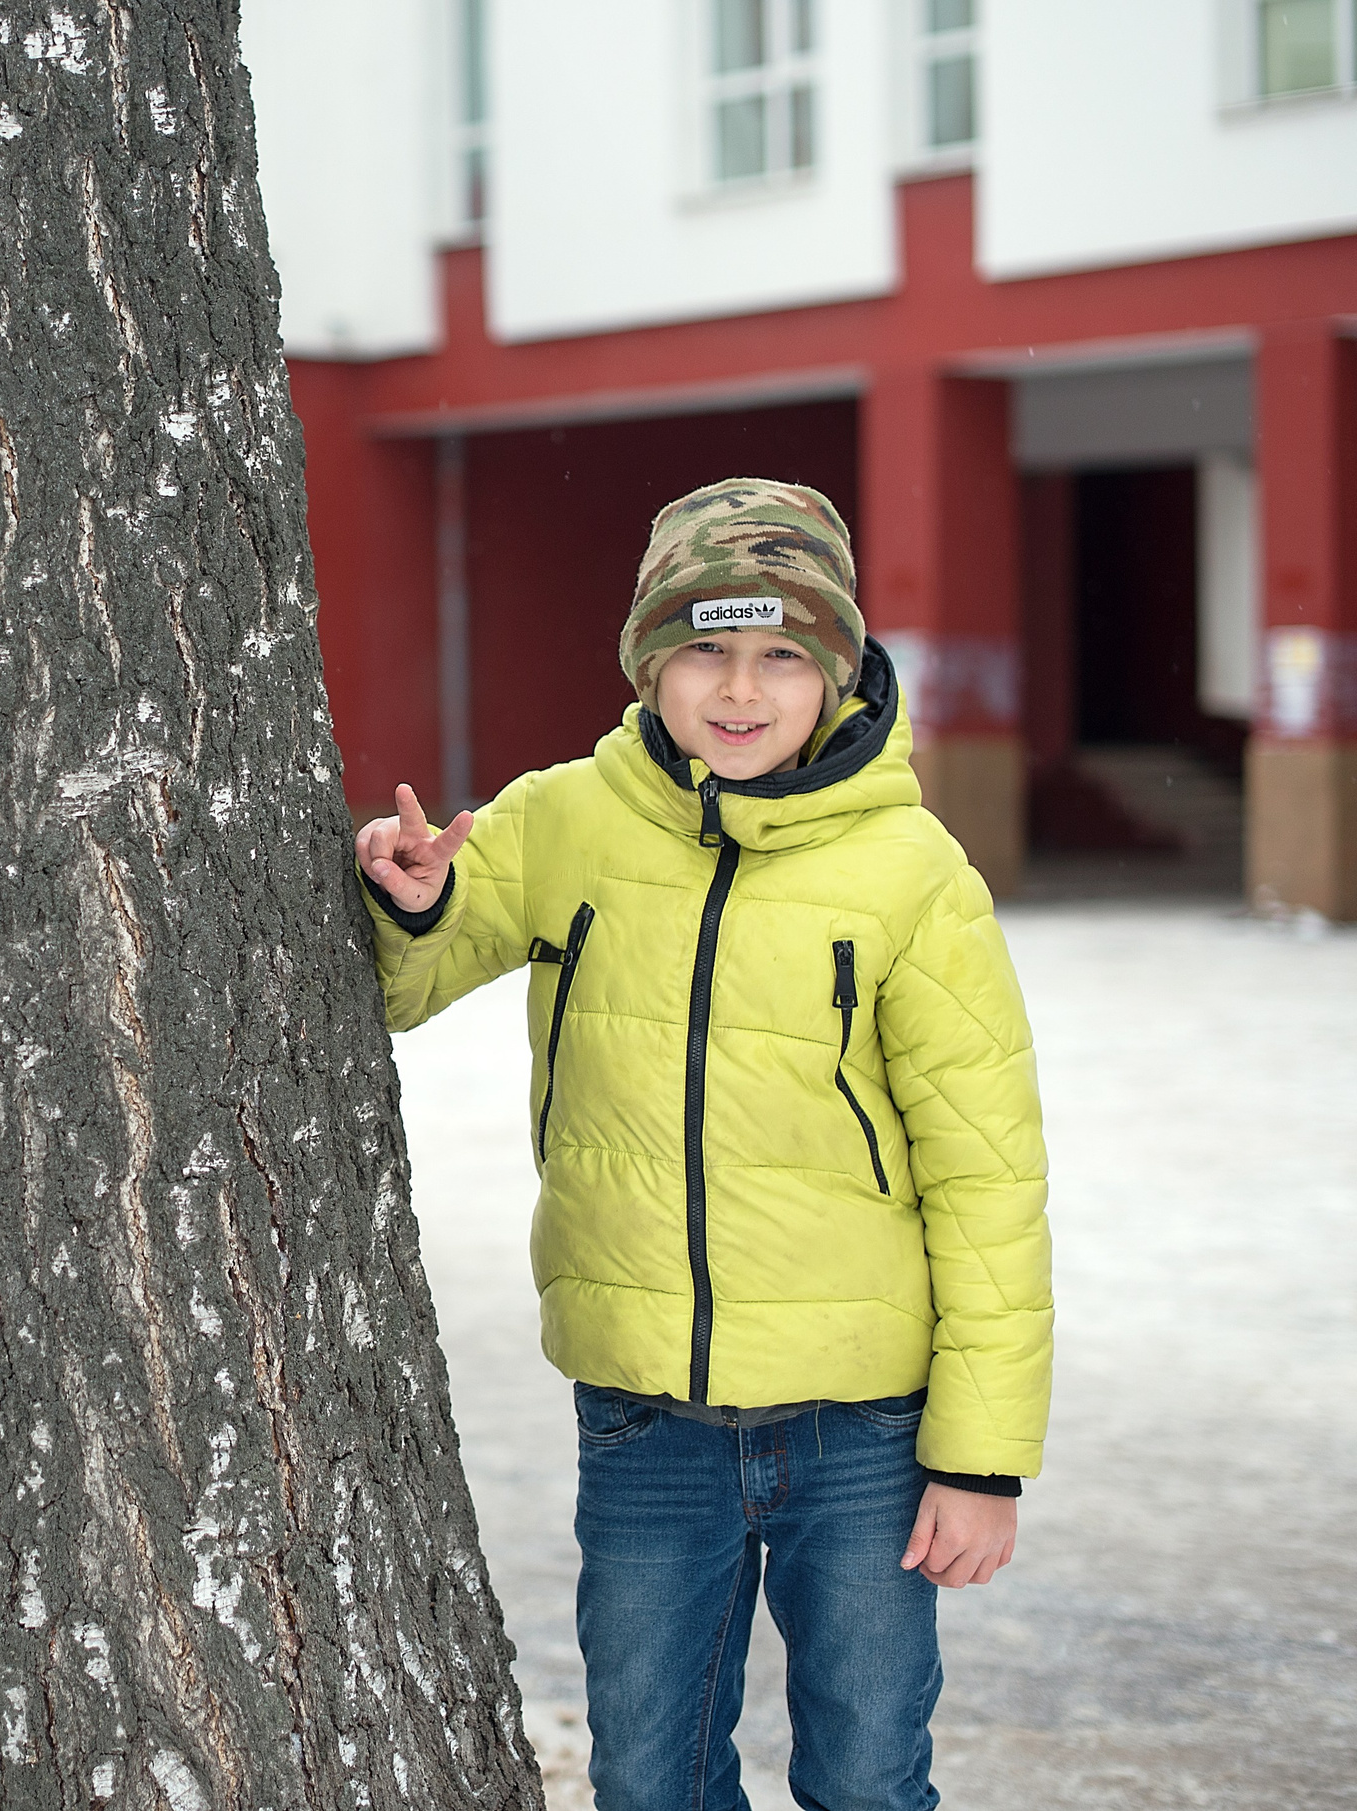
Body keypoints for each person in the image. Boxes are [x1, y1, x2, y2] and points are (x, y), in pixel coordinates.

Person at [354, 478, 1051, 1811]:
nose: (741, 691)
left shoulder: (912, 877)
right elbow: (402, 986)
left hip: (868, 1433)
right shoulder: (565, 822)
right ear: (649, 664)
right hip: (645, 1423)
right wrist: (415, 900)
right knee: (651, 1777)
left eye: (783, 654)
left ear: (836, 674)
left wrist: (980, 1457)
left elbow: (990, 1183)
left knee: (865, 1777)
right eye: (705, 651)